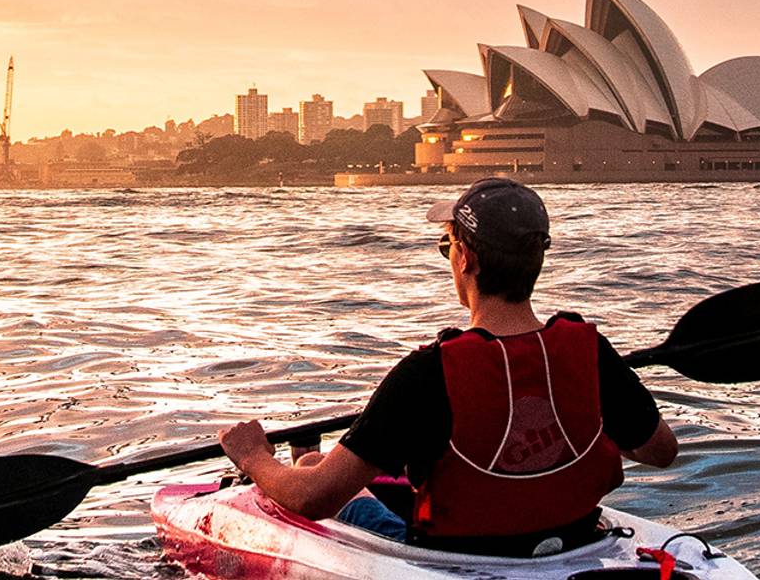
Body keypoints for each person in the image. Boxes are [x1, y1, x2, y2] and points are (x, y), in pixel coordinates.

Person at [218, 178, 678, 557]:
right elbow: (661, 452)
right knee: (337, 467)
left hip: (452, 555)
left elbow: (313, 499)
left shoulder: (427, 373)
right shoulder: (590, 350)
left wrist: (253, 455)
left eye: (447, 245)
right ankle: (307, 458)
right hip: (574, 542)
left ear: (466, 258)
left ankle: (301, 458)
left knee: (316, 470)